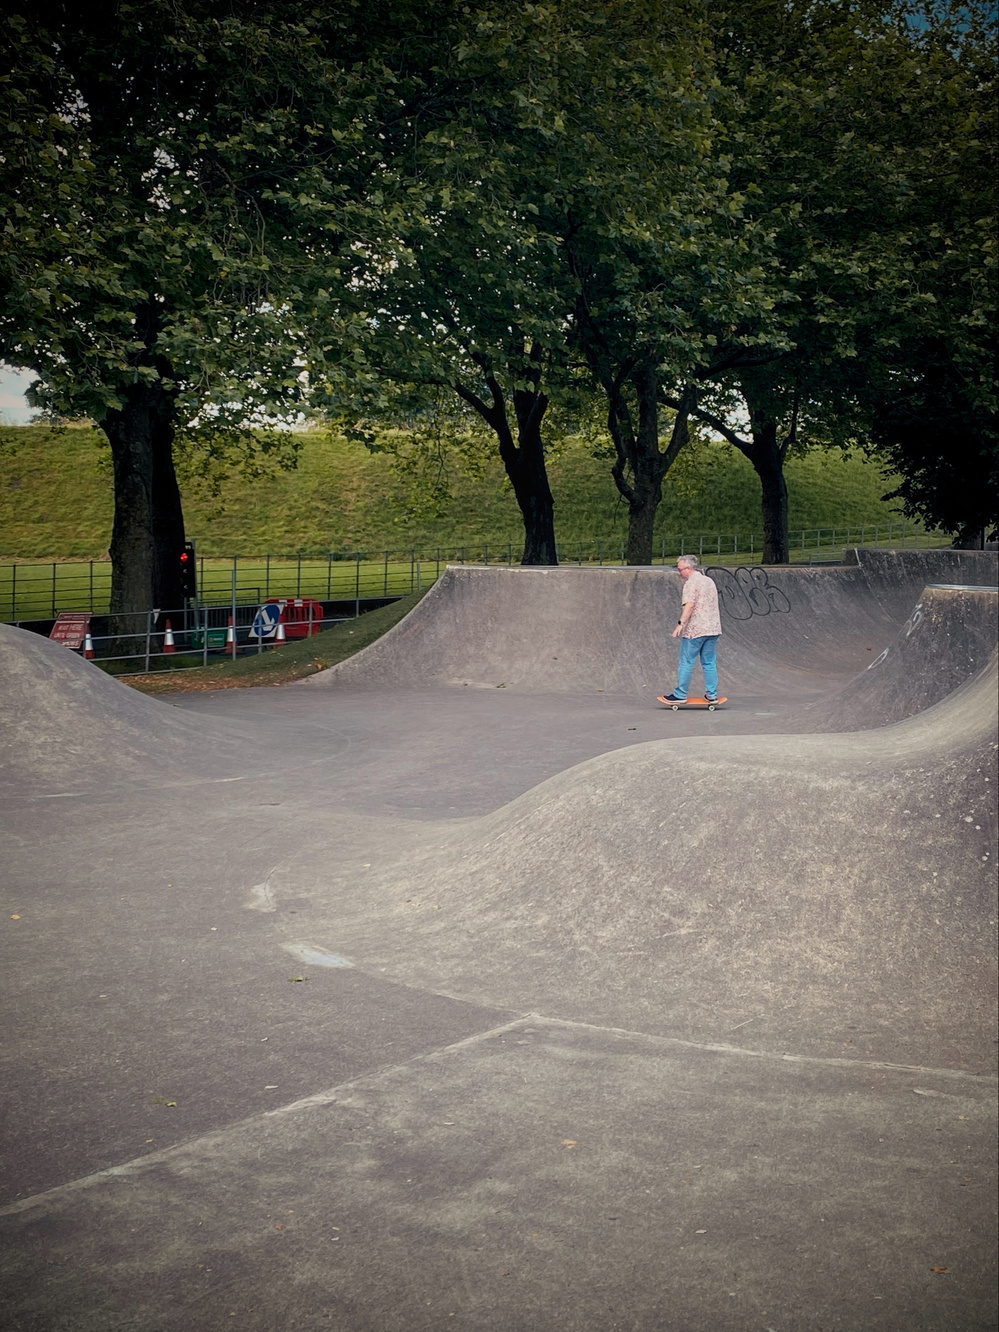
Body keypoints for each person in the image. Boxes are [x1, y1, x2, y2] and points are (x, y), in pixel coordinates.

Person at [662, 555, 722, 702]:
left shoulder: (691, 583)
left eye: (680, 569)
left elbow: (690, 605)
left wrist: (680, 624)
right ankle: (712, 695)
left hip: (696, 630)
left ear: (688, 569)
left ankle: (680, 694)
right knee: (709, 662)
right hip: (713, 628)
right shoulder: (708, 581)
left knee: (687, 662)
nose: (679, 573)